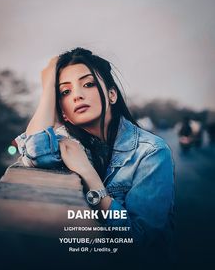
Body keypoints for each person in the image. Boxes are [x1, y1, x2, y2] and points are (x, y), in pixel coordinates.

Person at [15, 47, 175, 267]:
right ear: (62, 111)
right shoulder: (67, 143)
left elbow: (138, 239)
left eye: (88, 84)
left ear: (111, 94)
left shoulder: (151, 152)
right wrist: (48, 88)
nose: (78, 95)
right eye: (65, 92)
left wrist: (89, 176)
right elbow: (34, 152)